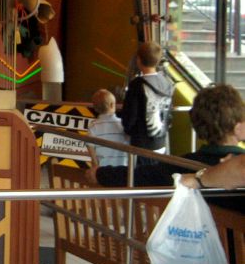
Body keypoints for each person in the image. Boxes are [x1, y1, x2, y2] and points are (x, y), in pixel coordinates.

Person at [87, 84, 244, 210]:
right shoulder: (238, 173)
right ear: (238, 128)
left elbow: (136, 176)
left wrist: (99, 173)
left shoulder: (178, 166)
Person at [120, 41, 174, 163]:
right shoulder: (167, 83)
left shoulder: (136, 85)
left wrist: (128, 130)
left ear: (138, 60)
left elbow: (129, 117)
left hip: (141, 145)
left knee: (140, 174)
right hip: (161, 143)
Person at [87, 88, 129, 167]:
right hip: (122, 167)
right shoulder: (122, 124)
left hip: (103, 168)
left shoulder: (93, 126)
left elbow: (90, 146)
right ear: (112, 105)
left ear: (95, 108)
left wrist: (95, 164)